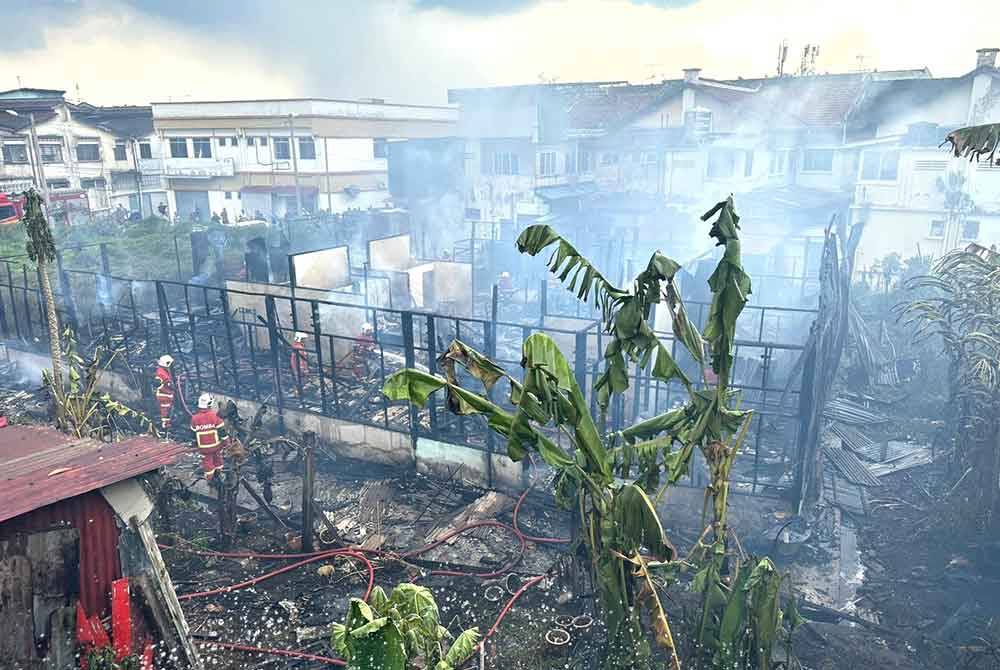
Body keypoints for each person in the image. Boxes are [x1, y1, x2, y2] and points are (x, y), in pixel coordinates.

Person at [190, 393, 227, 481]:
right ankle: (220, 474)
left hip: (204, 449)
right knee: (218, 458)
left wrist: (195, 445)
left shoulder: (194, 418)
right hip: (216, 446)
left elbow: (192, 434)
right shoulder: (214, 416)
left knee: (207, 463)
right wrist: (226, 442)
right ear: (210, 404)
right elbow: (222, 431)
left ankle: (210, 479)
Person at [154, 355, 175, 432]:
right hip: (164, 395)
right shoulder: (161, 373)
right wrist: (171, 385)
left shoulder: (163, 371)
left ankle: (166, 425)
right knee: (165, 412)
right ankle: (165, 428)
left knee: (167, 411)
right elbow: (164, 384)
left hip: (167, 395)